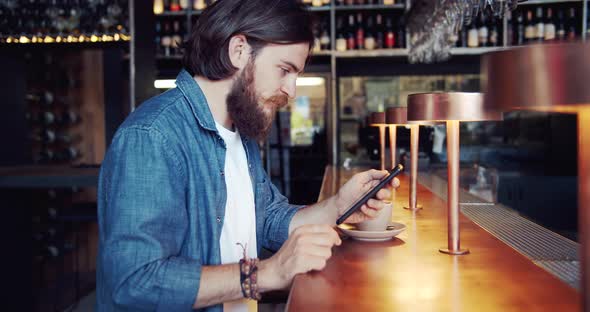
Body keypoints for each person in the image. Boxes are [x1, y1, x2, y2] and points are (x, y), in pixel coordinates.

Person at [96, 1, 399, 311]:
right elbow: (135, 282)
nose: (292, 90)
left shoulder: (240, 130)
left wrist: (339, 205)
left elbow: (270, 220)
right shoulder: (152, 137)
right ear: (239, 50)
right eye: (284, 70)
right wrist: (266, 272)